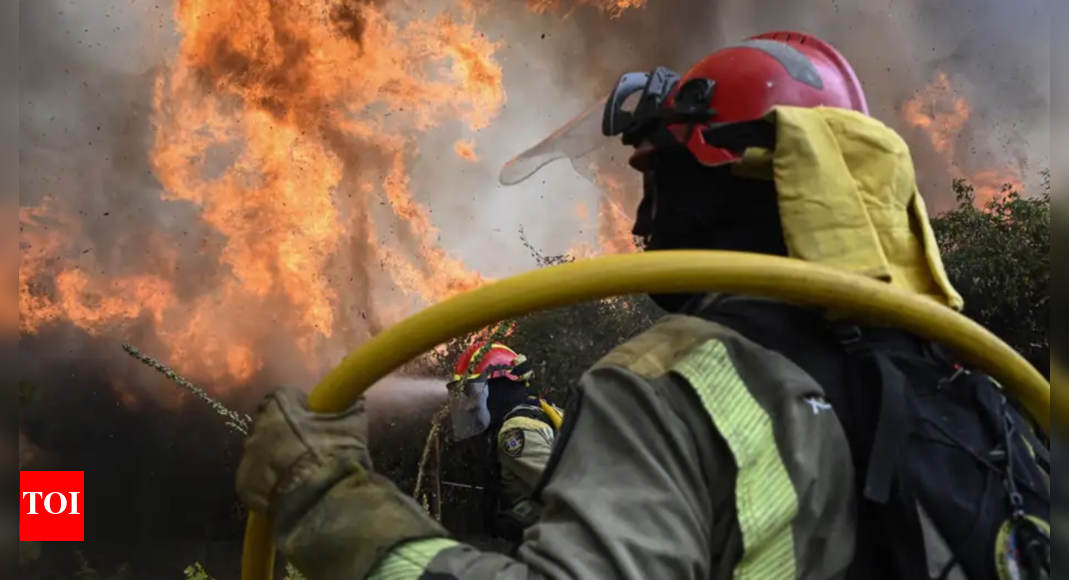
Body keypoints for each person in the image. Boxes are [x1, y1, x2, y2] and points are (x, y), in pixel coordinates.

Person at [235, 31, 1050, 580]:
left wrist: (324, 494)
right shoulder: (981, 390)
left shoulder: (676, 383)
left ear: (717, 180)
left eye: (656, 180)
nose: (639, 221)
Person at [446, 341, 564, 544]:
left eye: (472, 394)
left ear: (498, 386)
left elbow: (570, 495)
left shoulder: (516, 431)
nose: (469, 407)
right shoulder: (538, 411)